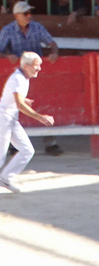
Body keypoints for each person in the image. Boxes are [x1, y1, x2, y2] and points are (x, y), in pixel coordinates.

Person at [0, 53, 56, 193]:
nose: (39, 69)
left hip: (10, 118)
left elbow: (14, 98)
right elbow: (19, 104)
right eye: (36, 66)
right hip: (3, 118)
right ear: (26, 66)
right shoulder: (18, 78)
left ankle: (5, 178)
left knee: (27, 150)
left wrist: (24, 100)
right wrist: (39, 117)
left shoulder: (23, 77)